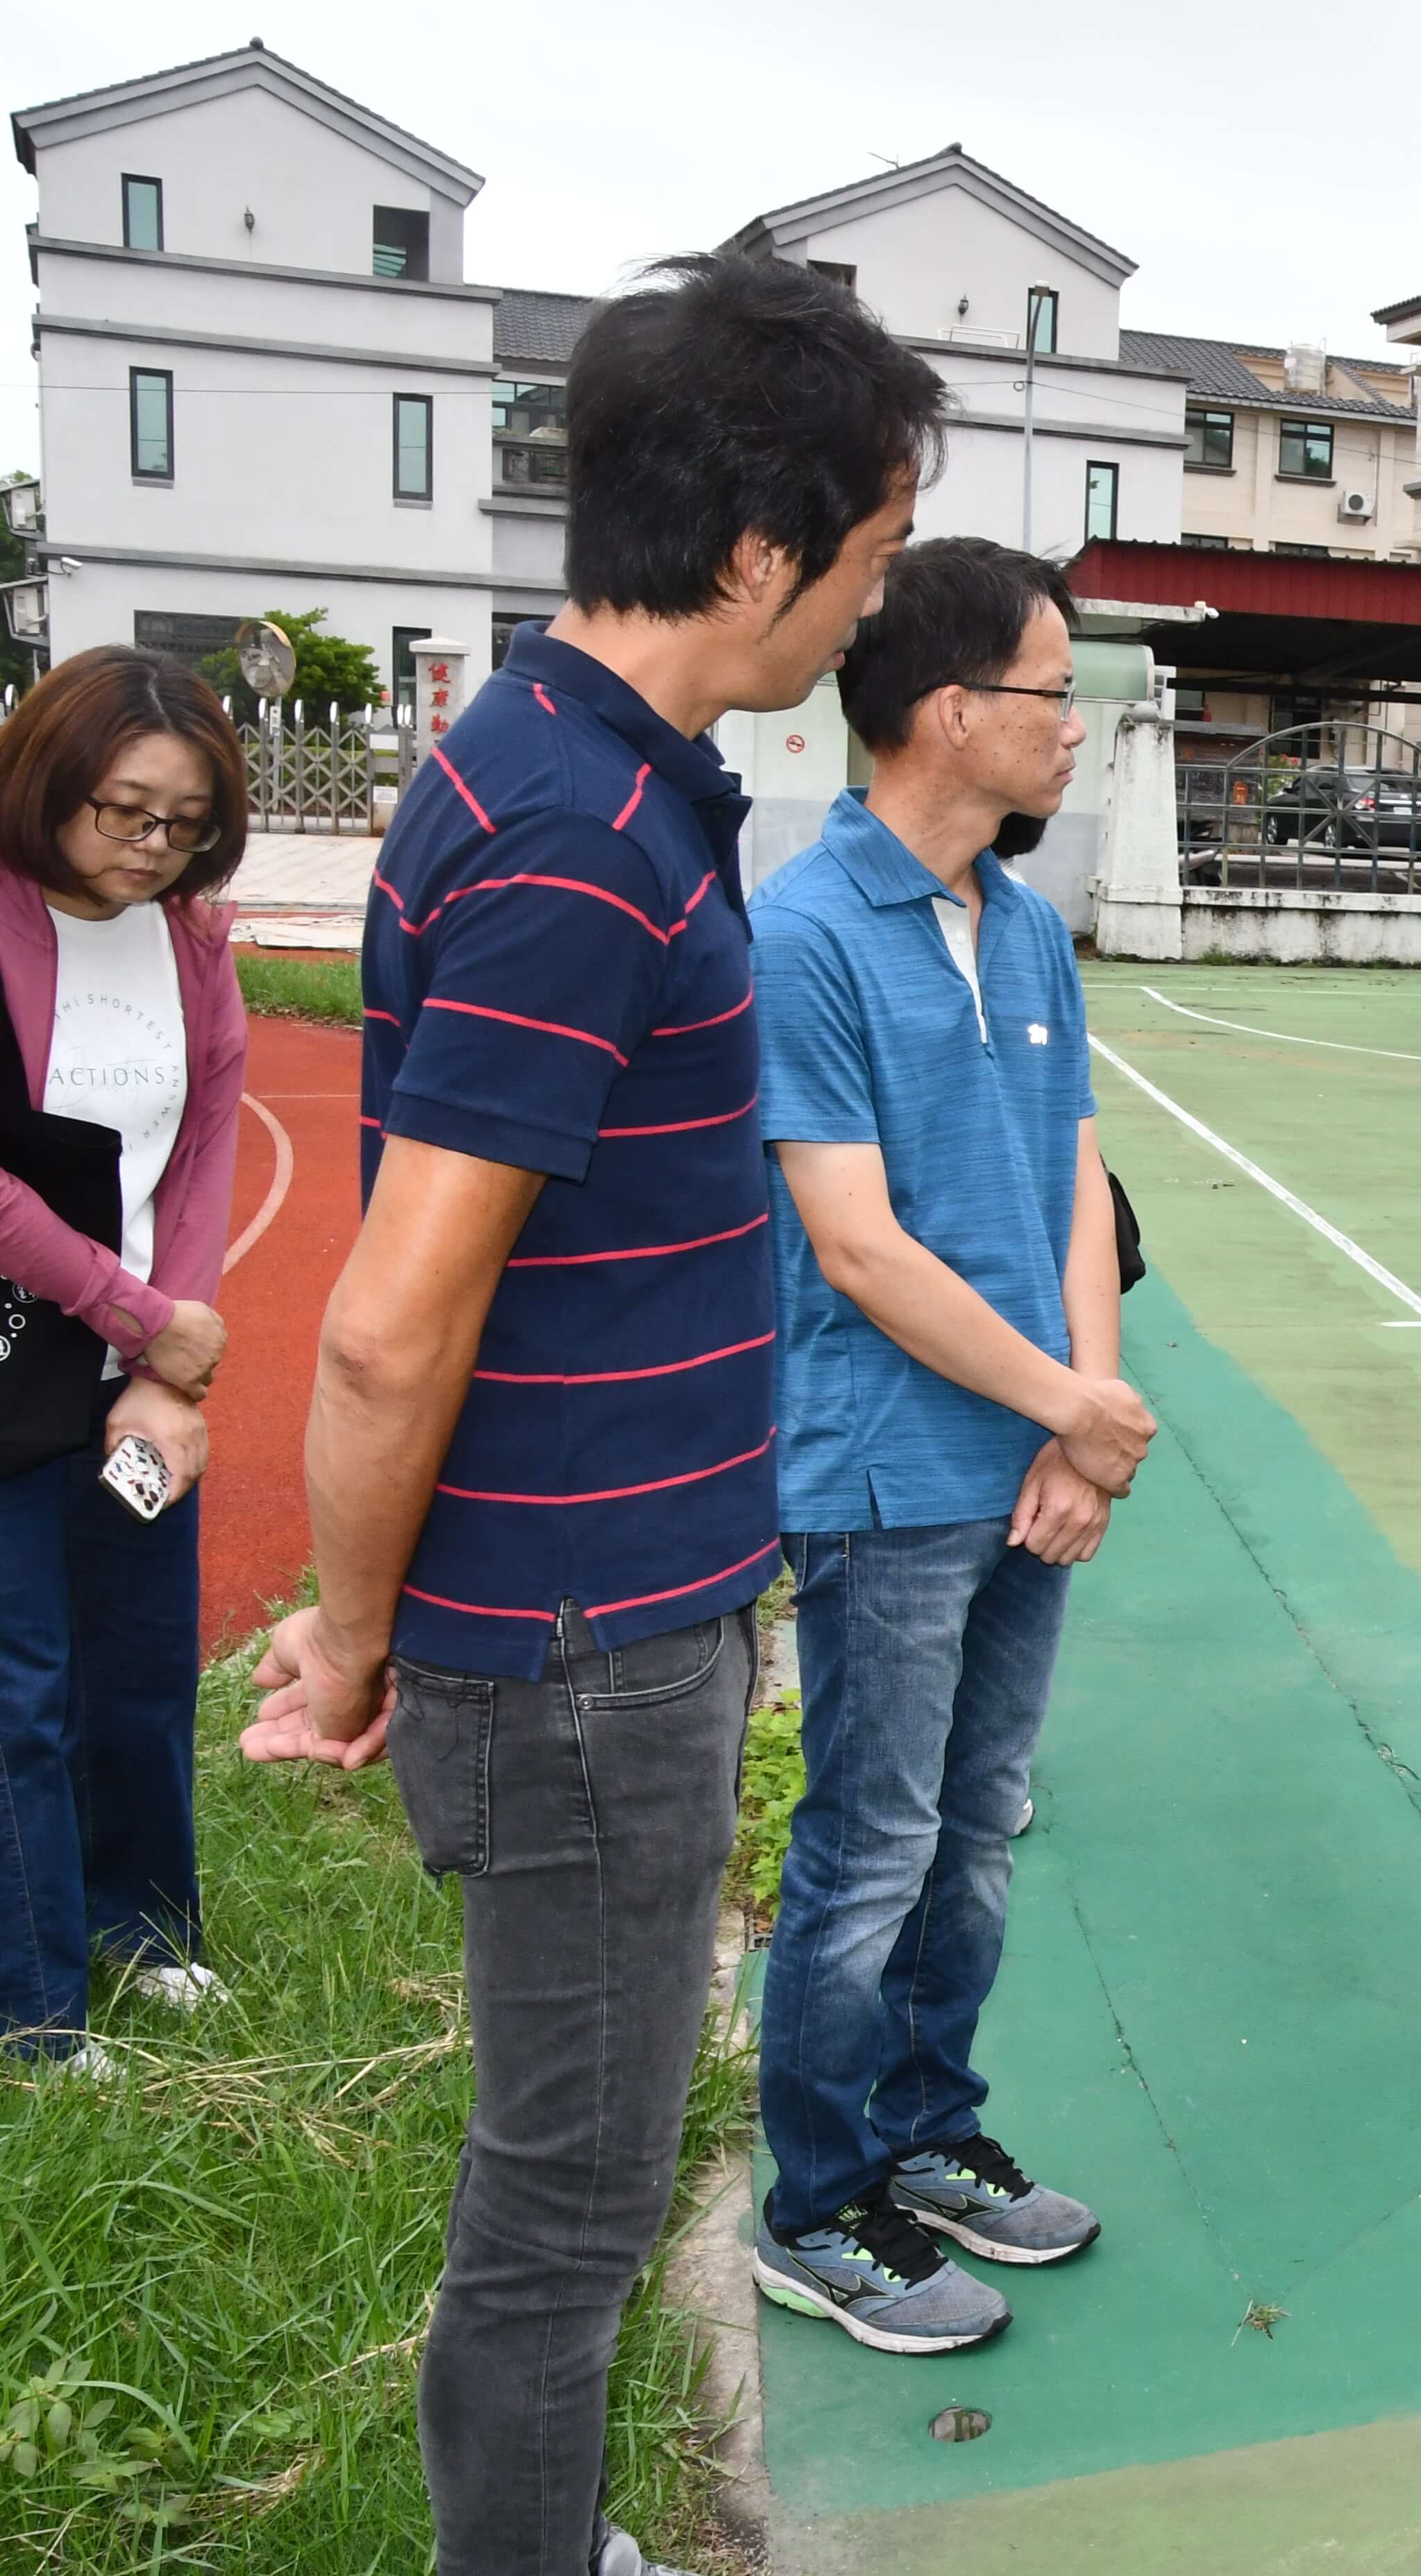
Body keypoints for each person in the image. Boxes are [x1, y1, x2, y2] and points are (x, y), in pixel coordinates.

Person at [241, 253, 941, 2576]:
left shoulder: (569, 767)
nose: (863, 614)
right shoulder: (573, 842)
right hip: (569, 1651)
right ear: (754, 555)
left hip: (593, 1616)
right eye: (857, 561)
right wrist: (350, 1639)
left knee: (574, 2173)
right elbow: (381, 1324)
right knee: (571, 2204)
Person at [743, 537, 1148, 2356]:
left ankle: (923, 2136)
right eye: (1055, 691)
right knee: (870, 1845)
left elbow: (1077, 1177)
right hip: (886, 1473)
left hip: (1027, 1467)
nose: (1079, 727)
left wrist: (1087, 1418)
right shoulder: (803, 934)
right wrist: (1065, 1403)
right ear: (946, 710)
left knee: (976, 1832)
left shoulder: (1035, 926)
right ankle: (814, 2206)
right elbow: (856, 1243)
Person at [0, 647, 248, 2068]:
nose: (152, 850)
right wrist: (137, 1314)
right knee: (18, 1690)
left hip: (138, 1382)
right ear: (49, 778)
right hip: (20, 1375)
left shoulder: (194, 942)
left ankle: (145, 1926)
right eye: (124, 812)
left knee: (142, 1665)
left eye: (186, 824)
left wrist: (173, 1364)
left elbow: (207, 1144)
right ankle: (38, 2012)